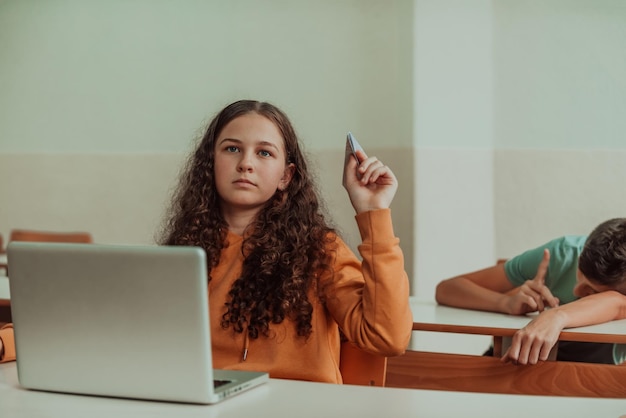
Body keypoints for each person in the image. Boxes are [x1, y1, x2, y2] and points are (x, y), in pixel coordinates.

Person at [158, 99, 412, 383]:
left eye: (264, 153)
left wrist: (373, 212)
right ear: (210, 163)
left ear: (286, 176)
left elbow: (387, 339)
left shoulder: (319, 249)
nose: (246, 164)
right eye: (232, 149)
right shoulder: (184, 251)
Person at [435, 218, 626, 366]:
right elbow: (447, 289)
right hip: (514, 364)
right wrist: (505, 302)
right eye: (579, 274)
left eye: (590, 291)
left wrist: (555, 316)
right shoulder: (563, 254)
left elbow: (617, 304)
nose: (576, 289)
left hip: (592, 376)